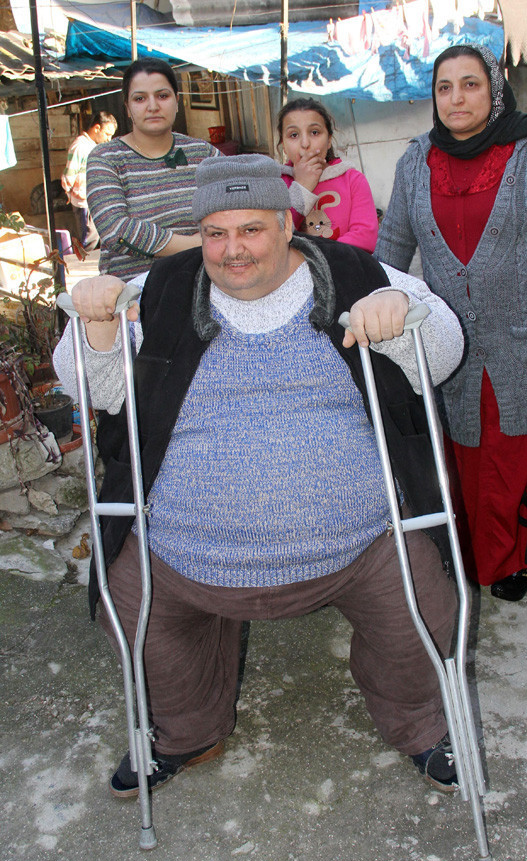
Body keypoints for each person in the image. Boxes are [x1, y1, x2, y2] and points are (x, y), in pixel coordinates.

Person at [53, 154, 467, 798]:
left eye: (251, 229)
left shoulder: (357, 275)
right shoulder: (162, 290)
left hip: (361, 545)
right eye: (215, 232)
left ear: (286, 222)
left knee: (426, 606)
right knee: (127, 601)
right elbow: (97, 392)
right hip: (184, 553)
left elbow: (440, 356)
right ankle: (188, 732)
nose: (232, 250)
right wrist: (96, 324)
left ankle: (417, 724)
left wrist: (399, 313)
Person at [375, 44, 527, 603]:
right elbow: (393, 247)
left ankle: (519, 554)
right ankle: (470, 553)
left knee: (518, 455)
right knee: (463, 455)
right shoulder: (416, 161)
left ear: (495, 91)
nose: (456, 98)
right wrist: (373, 301)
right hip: (453, 342)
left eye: (470, 85)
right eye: (444, 88)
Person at [85, 57, 220, 281]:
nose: (153, 106)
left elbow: (238, 200)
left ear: (177, 101)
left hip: (205, 287)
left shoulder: (202, 153)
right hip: (136, 298)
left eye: (163, 96)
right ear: (127, 108)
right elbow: (116, 230)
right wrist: (199, 244)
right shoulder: (106, 158)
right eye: (140, 98)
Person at [278, 98, 379, 252]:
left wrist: (314, 259)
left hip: (344, 272)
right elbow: (275, 238)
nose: (305, 143)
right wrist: (302, 187)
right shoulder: (276, 183)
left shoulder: (352, 180)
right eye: (293, 135)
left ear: (329, 140)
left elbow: (365, 238)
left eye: (314, 132)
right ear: (283, 146)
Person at [61, 111, 117, 251]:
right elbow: (68, 176)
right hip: (84, 202)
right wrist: (70, 193)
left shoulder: (92, 146)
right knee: (89, 240)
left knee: (97, 237)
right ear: (97, 128)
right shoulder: (80, 147)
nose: (109, 139)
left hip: (94, 201)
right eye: (107, 134)